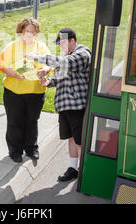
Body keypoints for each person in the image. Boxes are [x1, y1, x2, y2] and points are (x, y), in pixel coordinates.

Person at [26, 28, 91, 182]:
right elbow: (58, 77)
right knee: (71, 139)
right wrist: (47, 81)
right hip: (65, 105)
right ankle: (73, 168)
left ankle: (85, 171)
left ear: (72, 41)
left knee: (80, 140)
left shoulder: (82, 54)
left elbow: (67, 63)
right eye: (59, 44)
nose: (60, 46)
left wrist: (39, 58)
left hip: (77, 105)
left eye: (62, 43)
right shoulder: (65, 55)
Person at [0, 18, 51, 163]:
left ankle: (31, 148)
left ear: (36, 33)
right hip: (14, 91)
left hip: (35, 91)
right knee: (14, 121)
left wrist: (45, 71)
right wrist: (14, 73)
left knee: (32, 121)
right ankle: (15, 150)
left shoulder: (41, 47)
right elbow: (3, 66)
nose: (30, 34)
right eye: (27, 30)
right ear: (21, 31)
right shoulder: (11, 47)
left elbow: (49, 64)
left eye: (33, 31)